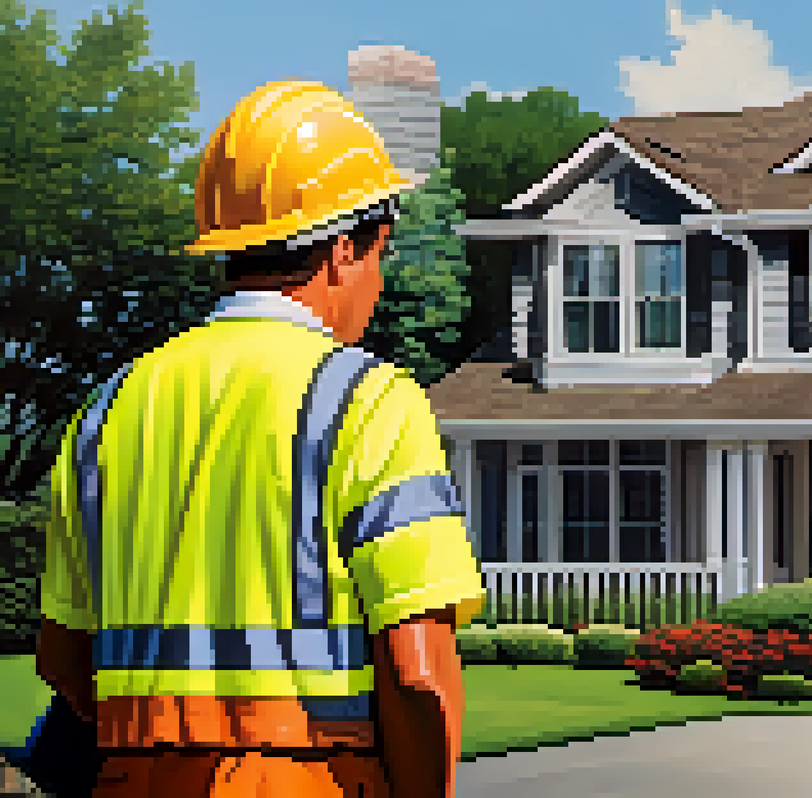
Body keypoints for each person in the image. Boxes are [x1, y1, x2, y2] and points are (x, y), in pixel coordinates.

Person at [35, 80, 485, 798]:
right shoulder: (369, 401)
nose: (377, 282)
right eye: (381, 254)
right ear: (345, 249)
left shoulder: (106, 409)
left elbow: (62, 656)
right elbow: (418, 676)